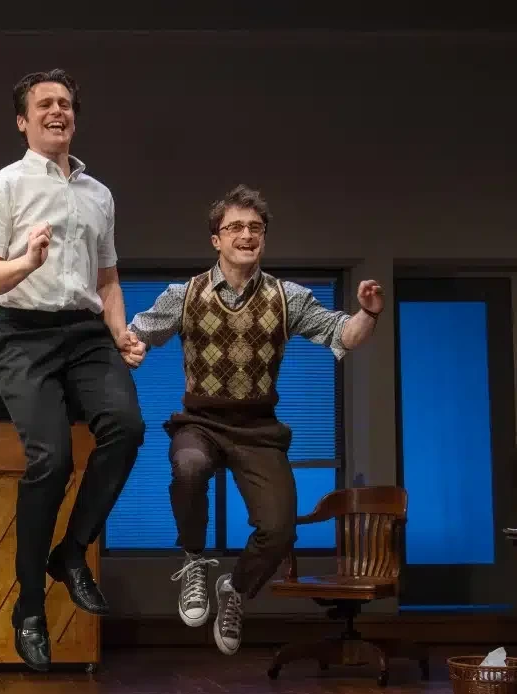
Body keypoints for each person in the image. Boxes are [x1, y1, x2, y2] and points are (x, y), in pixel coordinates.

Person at [125, 184, 383, 655]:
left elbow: (342, 333)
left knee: (280, 528)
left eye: (255, 228)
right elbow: (139, 330)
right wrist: (133, 345)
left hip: (258, 428)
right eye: (235, 227)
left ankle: (234, 590)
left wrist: (367, 314)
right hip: (199, 420)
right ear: (216, 239)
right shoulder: (185, 295)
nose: (246, 235)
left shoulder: (289, 298)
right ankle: (195, 563)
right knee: (188, 467)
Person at [0, 69, 146, 672]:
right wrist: (26, 260)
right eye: (44, 105)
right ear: (23, 120)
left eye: (65, 104)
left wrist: (122, 333)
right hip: (21, 335)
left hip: (87, 334)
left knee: (127, 426)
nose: (56, 112)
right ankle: (29, 607)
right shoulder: (0, 188)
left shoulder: (100, 194)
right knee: (52, 458)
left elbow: (107, 278)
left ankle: (71, 552)